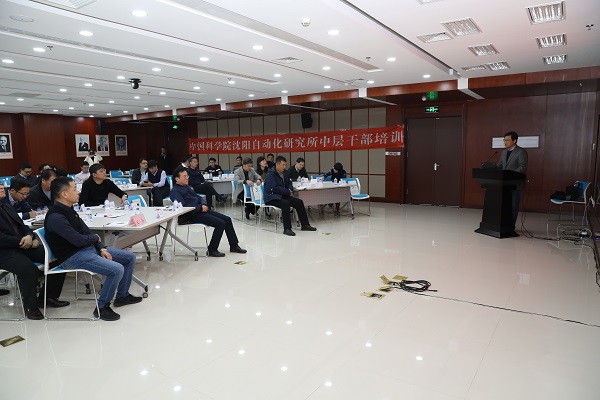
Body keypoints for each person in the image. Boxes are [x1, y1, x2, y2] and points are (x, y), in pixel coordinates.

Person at [45, 177, 142, 321]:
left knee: (129, 258)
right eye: (74, 189)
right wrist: (95, 238)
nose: (78, 192)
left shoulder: (70, 210)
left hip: (87, 249)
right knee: (116, 269)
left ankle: (122, 296)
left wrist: (101, 248)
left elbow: (87, 233)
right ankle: (102, 308)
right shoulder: (56, 216)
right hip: (72, 256)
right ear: (64, 194)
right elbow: (78, 240)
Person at [0, 186, 69, 319]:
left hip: (21, 244)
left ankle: (48, 297)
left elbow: (23, 226)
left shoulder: (6, 206)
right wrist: (23, 241)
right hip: (4, 252)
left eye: (1, 186)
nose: (2, 187)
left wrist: (29, 236)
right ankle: (31, 307)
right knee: (28, 269)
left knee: (58, 256)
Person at [170, 166, 247, 257]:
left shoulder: (188, 187)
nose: (187, 178)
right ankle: (212, 249)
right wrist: (200, 208)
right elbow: (183, 208)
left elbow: (198, 197)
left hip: (200, 210)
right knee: (220, 223)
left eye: (187, 176)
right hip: (190, 215)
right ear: (177, 179)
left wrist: (204, 204)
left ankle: (234, 245)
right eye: (184, 176)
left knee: (227, 219)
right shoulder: (175, 191)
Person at [264, 156, 317, 236]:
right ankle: (287, 228)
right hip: (272, 197)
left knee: (299, 202)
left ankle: (305, 225)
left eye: (285, 165)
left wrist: (290, 189)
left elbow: (289, 183)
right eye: (283, 165)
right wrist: (287, 192)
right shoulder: (270, 174)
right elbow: (274, 188)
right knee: (286, 204)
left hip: (282, 195)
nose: (284, 167)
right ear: (277, 164)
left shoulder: (285, 173)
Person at [497, 131, 528, 229]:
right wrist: (492, 167)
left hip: (515, 184)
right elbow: (500, 165)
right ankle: (503, 225)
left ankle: (511, 227)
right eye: (504, 140)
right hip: (504, 184)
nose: (505, 142)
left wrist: (510, 174)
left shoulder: (521, 152)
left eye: (507, 140)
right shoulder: (504, 152)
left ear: (514, 141)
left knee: (513, 206)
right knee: (504, 205)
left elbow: (522, 167)